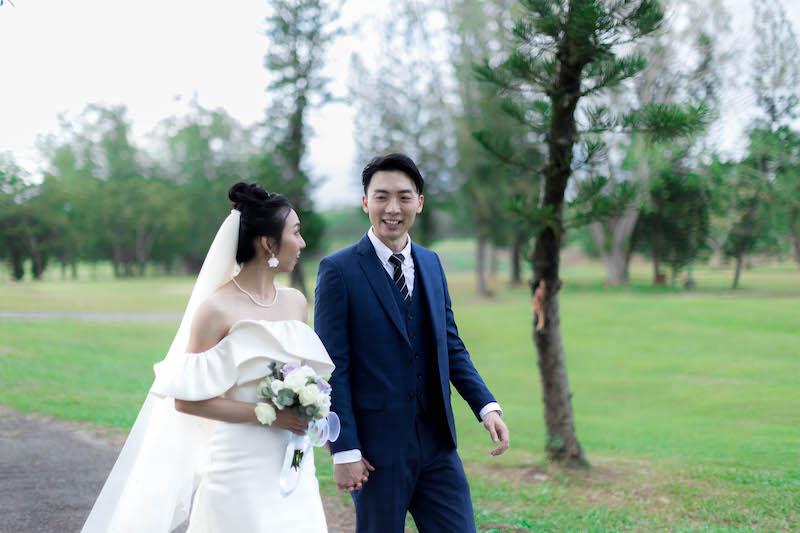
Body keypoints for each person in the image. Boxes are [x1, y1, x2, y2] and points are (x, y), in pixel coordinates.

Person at [81, 182, 334, 533]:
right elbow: (187, 401)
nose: (302, 242)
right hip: (240, 466)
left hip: (293, 461)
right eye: (295, 232)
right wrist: (271, 416)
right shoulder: (216, 310)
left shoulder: (295, 303)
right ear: (268, 243)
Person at [314, 153, 510, 533]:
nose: (393, 208)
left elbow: (450, 345)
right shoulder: (338, 270)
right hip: (375, 452)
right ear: (365, 202)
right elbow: (332, 368)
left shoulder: (431, 263)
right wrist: (344, 449)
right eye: (382, 196)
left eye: (404, 197)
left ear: (419, 202)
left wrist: (487, 407)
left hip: (437, 445)